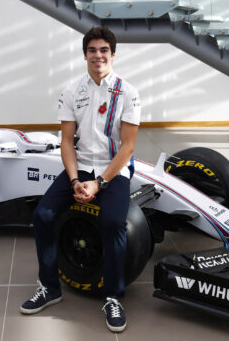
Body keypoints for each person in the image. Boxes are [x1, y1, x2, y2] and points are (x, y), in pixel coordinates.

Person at [20, 27, 141, 333]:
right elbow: (66, 142)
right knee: (43, 214)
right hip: (81, 166)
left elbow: (128, 147)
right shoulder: (72, 91)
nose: (98, 55)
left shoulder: (128, 92)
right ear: (85, 54)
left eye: (104, 50)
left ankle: (112, 296)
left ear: (113, 54)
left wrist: (99, 183)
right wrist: (75, 181)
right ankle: (49, 287)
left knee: (114, 223)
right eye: (92, 50)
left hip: (113, 170)